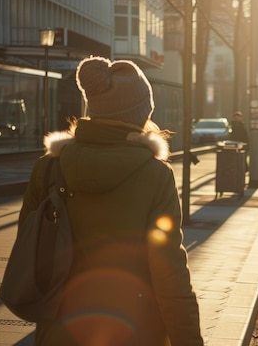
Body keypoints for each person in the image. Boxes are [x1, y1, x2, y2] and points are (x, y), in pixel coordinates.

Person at [19, 56, 204, 345]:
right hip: (134, 329)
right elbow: (169, 271)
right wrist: (189, 340)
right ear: (141, 112)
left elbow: (29, 245)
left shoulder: (48, 168)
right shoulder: (155, 175)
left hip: (60, 329)